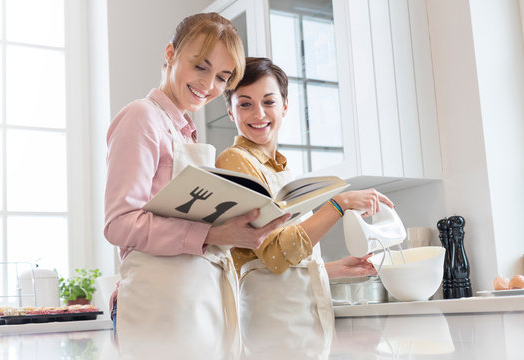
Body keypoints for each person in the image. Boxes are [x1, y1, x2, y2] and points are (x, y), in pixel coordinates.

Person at [104, 15, 290, 360]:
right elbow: (119, 225)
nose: (210, 85)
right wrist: (214, 235)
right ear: (171, 53)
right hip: (162, 307)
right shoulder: (142, 117)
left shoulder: (184, 130)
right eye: (201, 67)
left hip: (197, 303)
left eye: (223, 77)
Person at [216, 57, 394, 359]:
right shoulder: (235, 161)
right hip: (276, 325)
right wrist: (339, 204)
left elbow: (282, 262)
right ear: (230, 111)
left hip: (302, 321)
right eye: (245, 104)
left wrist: (331, 270)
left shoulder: (283, 170)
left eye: (269, 101)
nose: (258, 113)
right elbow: (272, 253)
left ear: (285, 106)